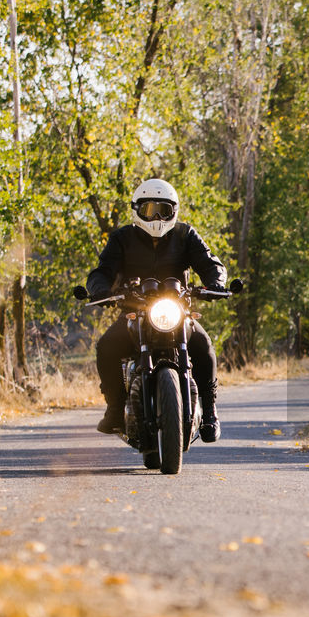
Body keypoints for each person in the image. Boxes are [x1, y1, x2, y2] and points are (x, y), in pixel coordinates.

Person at [86, 178, 227, 442]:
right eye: (150, 209)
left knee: (204, 346)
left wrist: (216, 283)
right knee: (106, 346)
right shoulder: (122, 238)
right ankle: (115, 409)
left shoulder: (186, 235)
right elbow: (102, 271)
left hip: (176, 312)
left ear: (175, 210)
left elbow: (211, 264)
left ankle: (210, 413)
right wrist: (99, 289)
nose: (157, 217)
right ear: (137, 209)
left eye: (164, 209)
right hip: (135, 312)